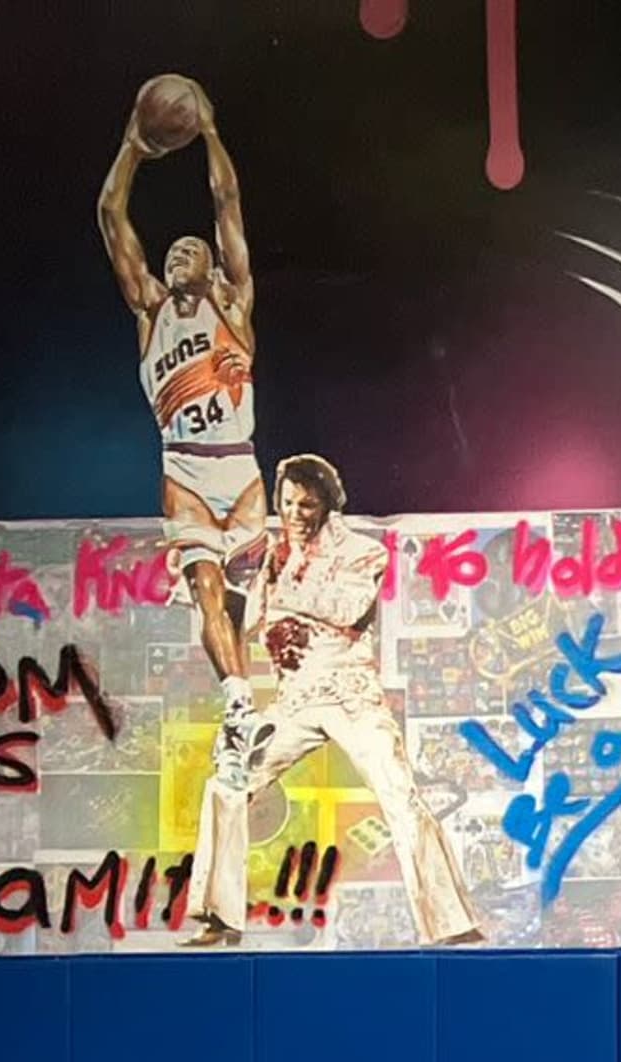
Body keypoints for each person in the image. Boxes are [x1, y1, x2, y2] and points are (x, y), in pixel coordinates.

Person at [176, 455, 482, 949]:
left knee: (400, 795)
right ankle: (219, 915)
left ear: (327, 506)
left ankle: (450, 923)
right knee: (229, 782)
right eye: (289, 503)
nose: (296, 513)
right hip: (294, 702)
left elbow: (346, 607)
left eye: (308, 505)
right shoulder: (271, 556)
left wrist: (286, 578)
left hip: (350, 696)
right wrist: (212, 585)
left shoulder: (362, 552)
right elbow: (247, 621)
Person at [99, 84, 264, 772]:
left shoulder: (234, 301)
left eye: (189, 251)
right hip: (185, 468)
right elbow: (110, 213)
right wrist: (134, 149)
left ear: (215, 270)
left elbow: (226, 203)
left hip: (243, 465)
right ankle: (239, 703)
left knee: (238, 606)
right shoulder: (151, 315)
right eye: (171, 254)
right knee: (203, 587)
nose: (176, 255)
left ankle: (248, 724)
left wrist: (213, 131)